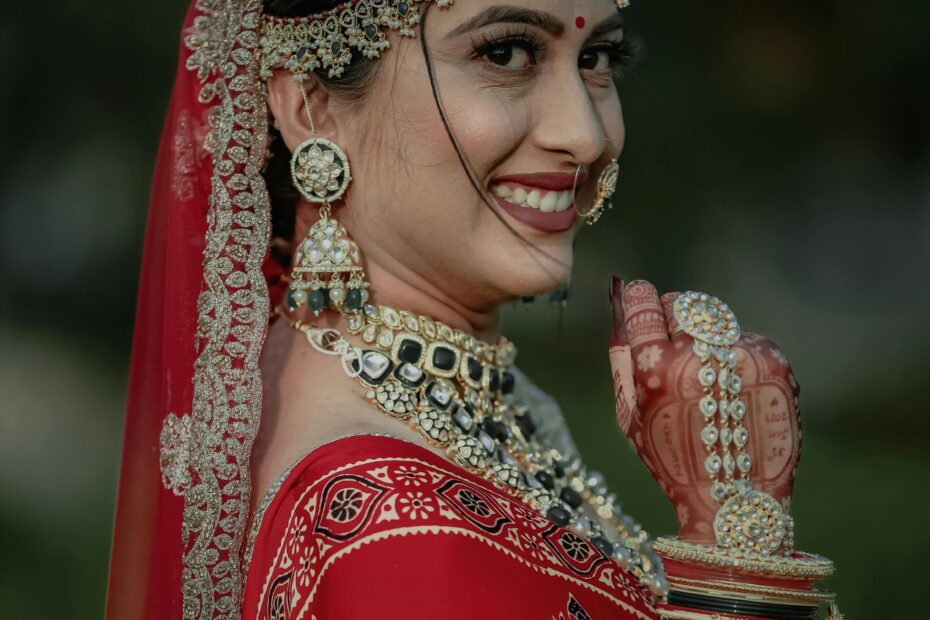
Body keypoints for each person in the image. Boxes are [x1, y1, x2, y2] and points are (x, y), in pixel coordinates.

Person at [105, 1, 841, 618]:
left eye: (598, 58)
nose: (586, 135)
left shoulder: (441, 401)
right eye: (508, 52)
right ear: (311, 105)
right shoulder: (396, 528)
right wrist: (737, 544)